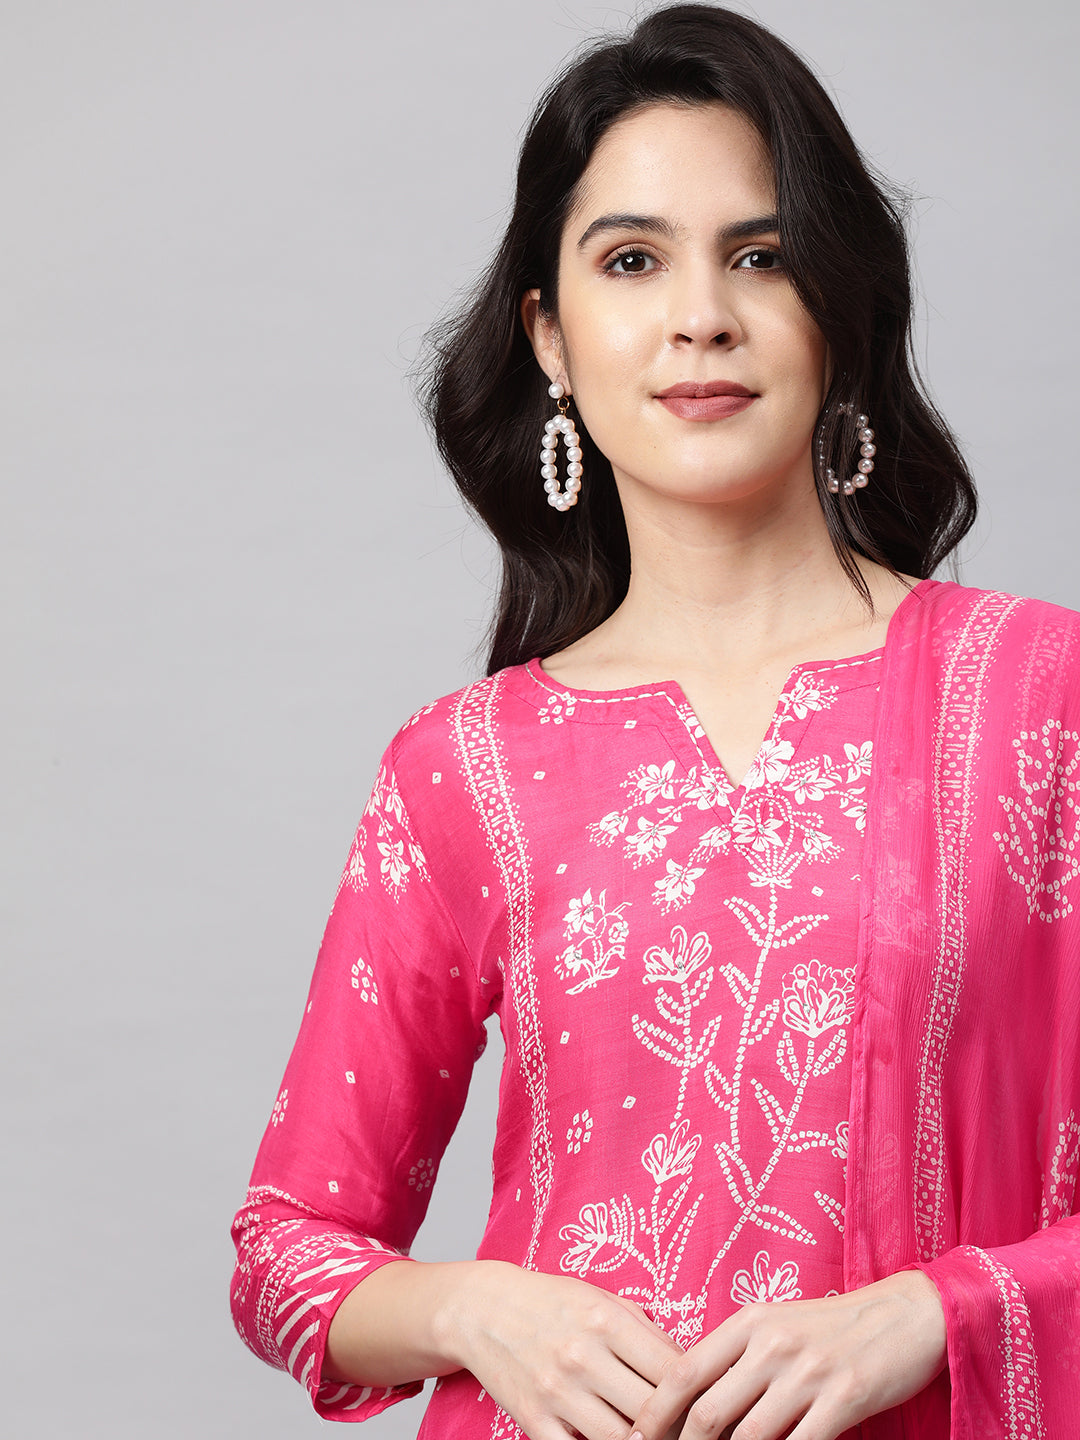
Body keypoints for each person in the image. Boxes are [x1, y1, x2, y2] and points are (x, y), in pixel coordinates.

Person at [229, 6, 1080, 1438]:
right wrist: (477, 1309)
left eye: (762, 255)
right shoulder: (466, 768)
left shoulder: (1042, 697)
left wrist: (938, 1314)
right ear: (550, 338)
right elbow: (285, 1252)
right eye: (632, 260)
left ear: (842, 313)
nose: (702, 316)